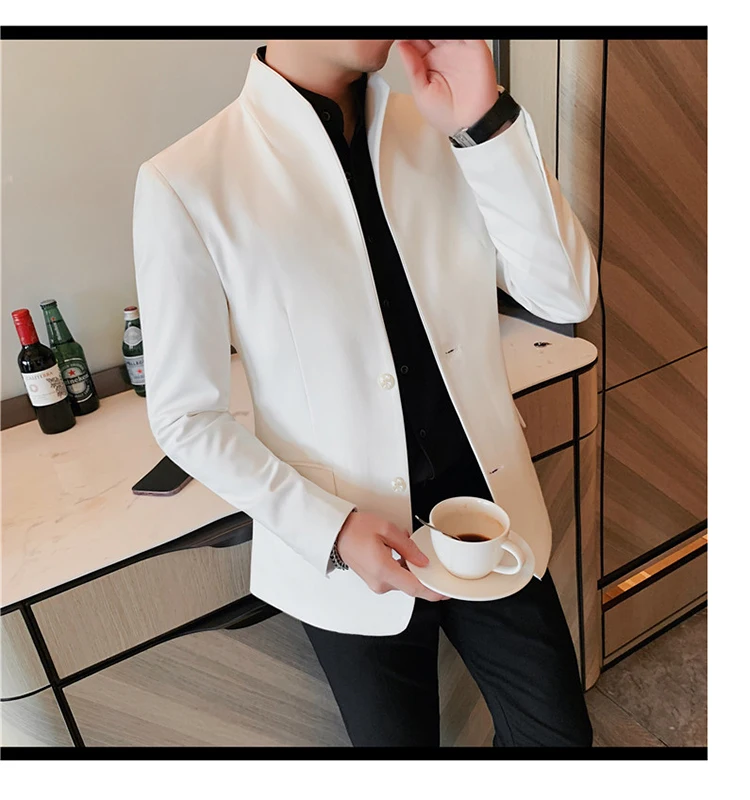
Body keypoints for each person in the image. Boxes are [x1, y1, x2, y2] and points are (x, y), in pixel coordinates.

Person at [133, 39, 597, 747]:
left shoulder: (444, 126)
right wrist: (333, 529)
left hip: (489, 514)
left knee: (558, 742)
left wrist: (486, 123)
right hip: (346, 546)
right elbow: (186, 417)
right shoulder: (188, 178)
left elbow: (565, 295)